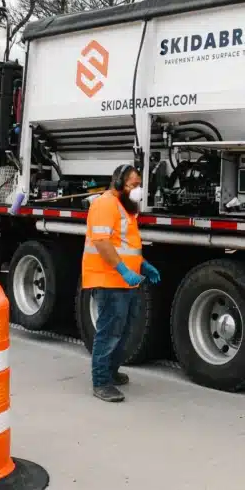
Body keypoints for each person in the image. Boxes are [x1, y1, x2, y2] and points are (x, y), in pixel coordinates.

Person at [82, 164, 161, 402]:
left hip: (125, 281)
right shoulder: (105, 204)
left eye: (138, 185)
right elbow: (102, 243)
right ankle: (101, 382)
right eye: (133, 185)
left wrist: (142, 264)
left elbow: (125, 245)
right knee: (109, 332)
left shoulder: (124, 208)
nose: (137, 190)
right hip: (108, 280)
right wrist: (124, 270)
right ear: (118, 184)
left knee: (125, 331)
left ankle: (111, 371)